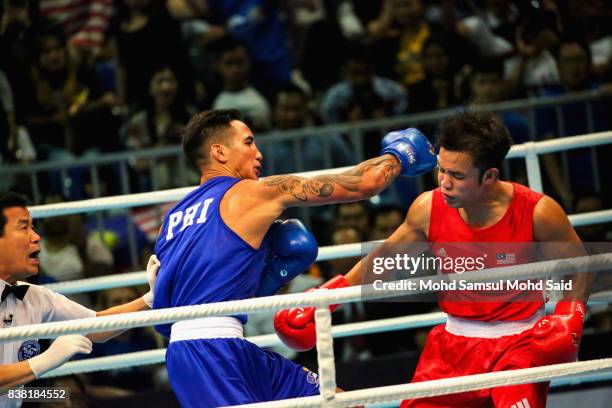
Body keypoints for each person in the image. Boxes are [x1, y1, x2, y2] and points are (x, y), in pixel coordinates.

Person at [275, 111, 591, 408]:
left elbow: (580, 267)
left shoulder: (537, 211)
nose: (444, 181)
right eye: (441, 169)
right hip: (452, 345)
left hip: (520, 345)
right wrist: (328, 297)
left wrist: (570, 313)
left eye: (456, 175)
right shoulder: (428, 208)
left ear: (489, 176)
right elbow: (384, 260)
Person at [152, 108, 436, 407]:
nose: (258, 153)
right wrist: (398, 155)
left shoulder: (173, 219)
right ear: (219, 152)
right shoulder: (252, 193)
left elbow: (154, 300)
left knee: (341, 403)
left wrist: (102, 322)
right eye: (248, 143)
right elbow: (366, 182)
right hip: (207, 354)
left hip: (222, 347)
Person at [0, 192, 159, 407]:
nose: (36, 236)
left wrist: (149, 299)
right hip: (29, 396)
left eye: (33, 227)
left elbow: (96, 326)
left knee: (67, 396)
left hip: (23, 399)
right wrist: (43, 361)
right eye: (23, 227)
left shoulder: (34, 296)